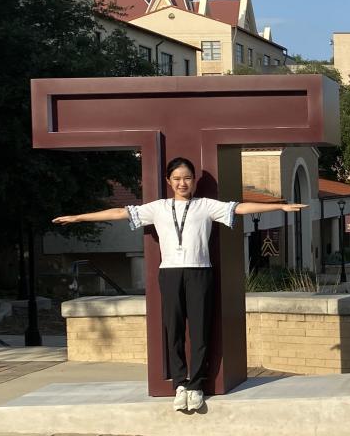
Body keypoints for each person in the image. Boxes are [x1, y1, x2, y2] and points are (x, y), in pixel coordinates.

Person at [53, 157, 306, 413]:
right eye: (176, 178)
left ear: (193, 180)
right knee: (173, 329)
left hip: (200, 272)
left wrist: (279, 208)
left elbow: (239, 208)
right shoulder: (158, 208)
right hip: (170, 273)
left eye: (186, 178)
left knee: (199, 329)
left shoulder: (206, 206)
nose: (182, 183)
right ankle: (180, 385)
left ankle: (196, 386)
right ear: (168, 181)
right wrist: (78, 217)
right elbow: (120, 212)